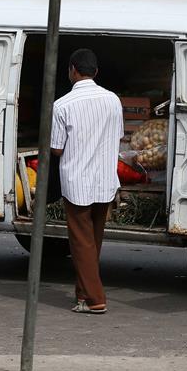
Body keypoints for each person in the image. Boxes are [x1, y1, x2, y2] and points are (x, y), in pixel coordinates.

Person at [50, 48, 123, 314]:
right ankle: (82, 295)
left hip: (78, 181)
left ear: (72, 70)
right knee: (93, 241)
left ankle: (94, 299)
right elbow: (118, 135)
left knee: (81, 243)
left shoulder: (62, 105)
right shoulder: (113, 100)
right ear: (96, 72)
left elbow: (56, 149)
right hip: (105, 180)